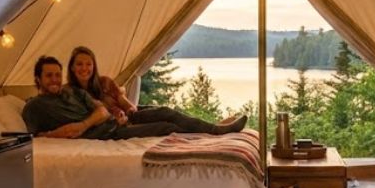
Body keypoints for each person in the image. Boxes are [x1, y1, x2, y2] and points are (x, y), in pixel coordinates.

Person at [22, 54, 246, 140]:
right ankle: (211, 136)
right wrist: (57, 133)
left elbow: (101, 110)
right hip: (112, 130)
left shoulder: (73, 92)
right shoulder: (35, 107)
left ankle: (216, 130)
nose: (54, 79)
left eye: (56, 75)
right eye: (48, 76)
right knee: (166, 126)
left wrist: (82, 125)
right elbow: (36, 136)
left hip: (118, 121)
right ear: (38, 79)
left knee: (166, 113)